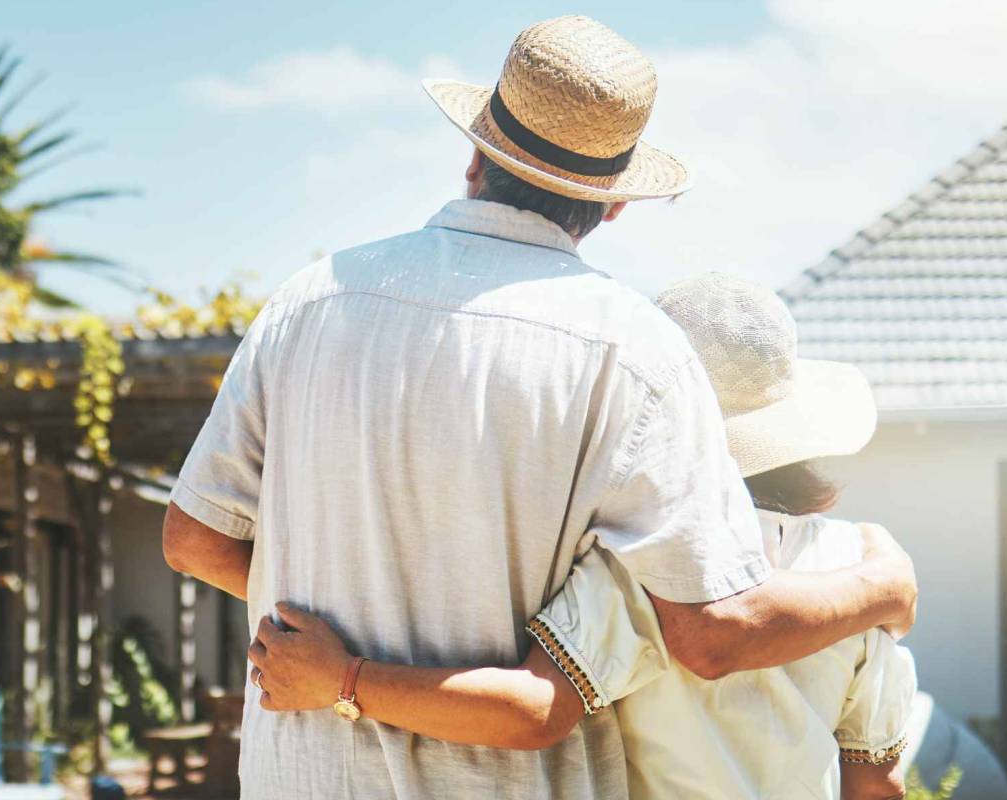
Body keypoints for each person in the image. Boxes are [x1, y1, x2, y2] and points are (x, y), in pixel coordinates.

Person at [161, 16, 918, 799]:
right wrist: (884, 586)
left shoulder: (310, 300)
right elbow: (710, 632)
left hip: (303, 775)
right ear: (614, 204)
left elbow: (193, 539)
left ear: (476, 154)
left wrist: (337, 635)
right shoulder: (636, 353)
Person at [250, 274, 917, 799]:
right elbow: (874, 778)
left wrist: (341, 679)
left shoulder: (645, 564)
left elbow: (535, 711)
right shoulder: (857, 567)